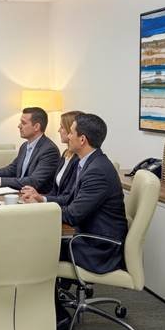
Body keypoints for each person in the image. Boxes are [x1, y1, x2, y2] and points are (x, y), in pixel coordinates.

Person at [21, 113, 127, 274]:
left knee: (35, 247)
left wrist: (40, 207)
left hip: (99, 249)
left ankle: (40, 290)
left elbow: (73, 215)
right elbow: (70, 200)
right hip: (87, 238)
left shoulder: (97, 171)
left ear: (82, 139)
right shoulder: (89, 163)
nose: (68, 137)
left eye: (71, 132)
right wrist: (41, 200)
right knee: (37, 241)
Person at [0, 107, 60, 194]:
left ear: (36, 127)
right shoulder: (25, 146)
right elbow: (12, 169)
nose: (19, 126)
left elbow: (34, 181)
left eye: (23, 123)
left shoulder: (49, 150)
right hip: (19, 193)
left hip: (36, 199)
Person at [19, 110, 83, 201]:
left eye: (62, 127)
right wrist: (38, 197)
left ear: (71, 130)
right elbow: (55, 190)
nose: (59, 130)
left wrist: (42, 199)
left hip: (61, 206)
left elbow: (68, 197)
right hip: (53, 202)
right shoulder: (66, 154)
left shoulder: (78, 159)